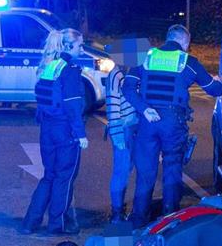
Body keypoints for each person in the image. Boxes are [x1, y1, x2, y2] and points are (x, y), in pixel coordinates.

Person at [123, 24, 222, 226]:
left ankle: (138, 219)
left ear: (167, 38)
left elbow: (128, 87)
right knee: (172, 169)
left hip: (148, 121)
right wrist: (218, 80)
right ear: (185, 42)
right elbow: (214, 90)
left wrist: (143, 108)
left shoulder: (147, 58)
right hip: (173, 122)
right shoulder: (189, 61)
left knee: (145, 172)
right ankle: (169, 219)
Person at [21, 28, 89, 235]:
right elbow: (73, 106)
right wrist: (80, 134)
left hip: (47, 129)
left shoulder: (49, 66)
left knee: (49, 176)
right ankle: (56, 225)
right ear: (69, 46)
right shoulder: (69, 70)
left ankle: (30, 223)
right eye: (80, 45)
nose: (82, 48)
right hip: (64, 131)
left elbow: (43, 102)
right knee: (64, 178)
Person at [104, 40, 143, 222]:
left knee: (127, 171)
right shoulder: (116, 75)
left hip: (131, 128)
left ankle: (120, 211)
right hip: (123, 129)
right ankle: (117, 213)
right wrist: (117, 135)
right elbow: (112, 107)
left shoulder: (128, 74)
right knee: (121, 172)